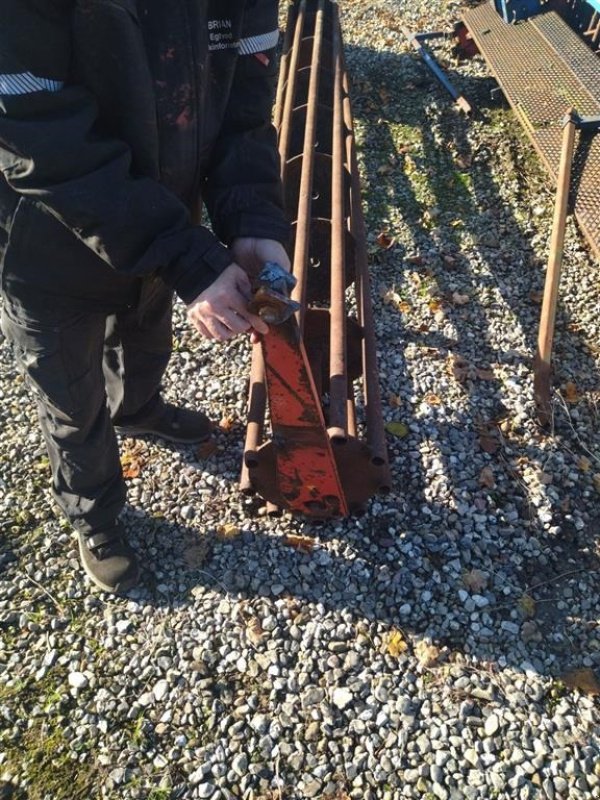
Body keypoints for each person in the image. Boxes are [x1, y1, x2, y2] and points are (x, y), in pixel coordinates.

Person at [0, 0, 291, 594]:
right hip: (45, 240)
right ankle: (95, 514)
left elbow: (246, 104)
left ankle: (137, 409)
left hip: (160, 214)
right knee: (70, 399)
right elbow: (38, 136)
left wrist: (253, 220)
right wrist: (186, 255)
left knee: (145, 334)